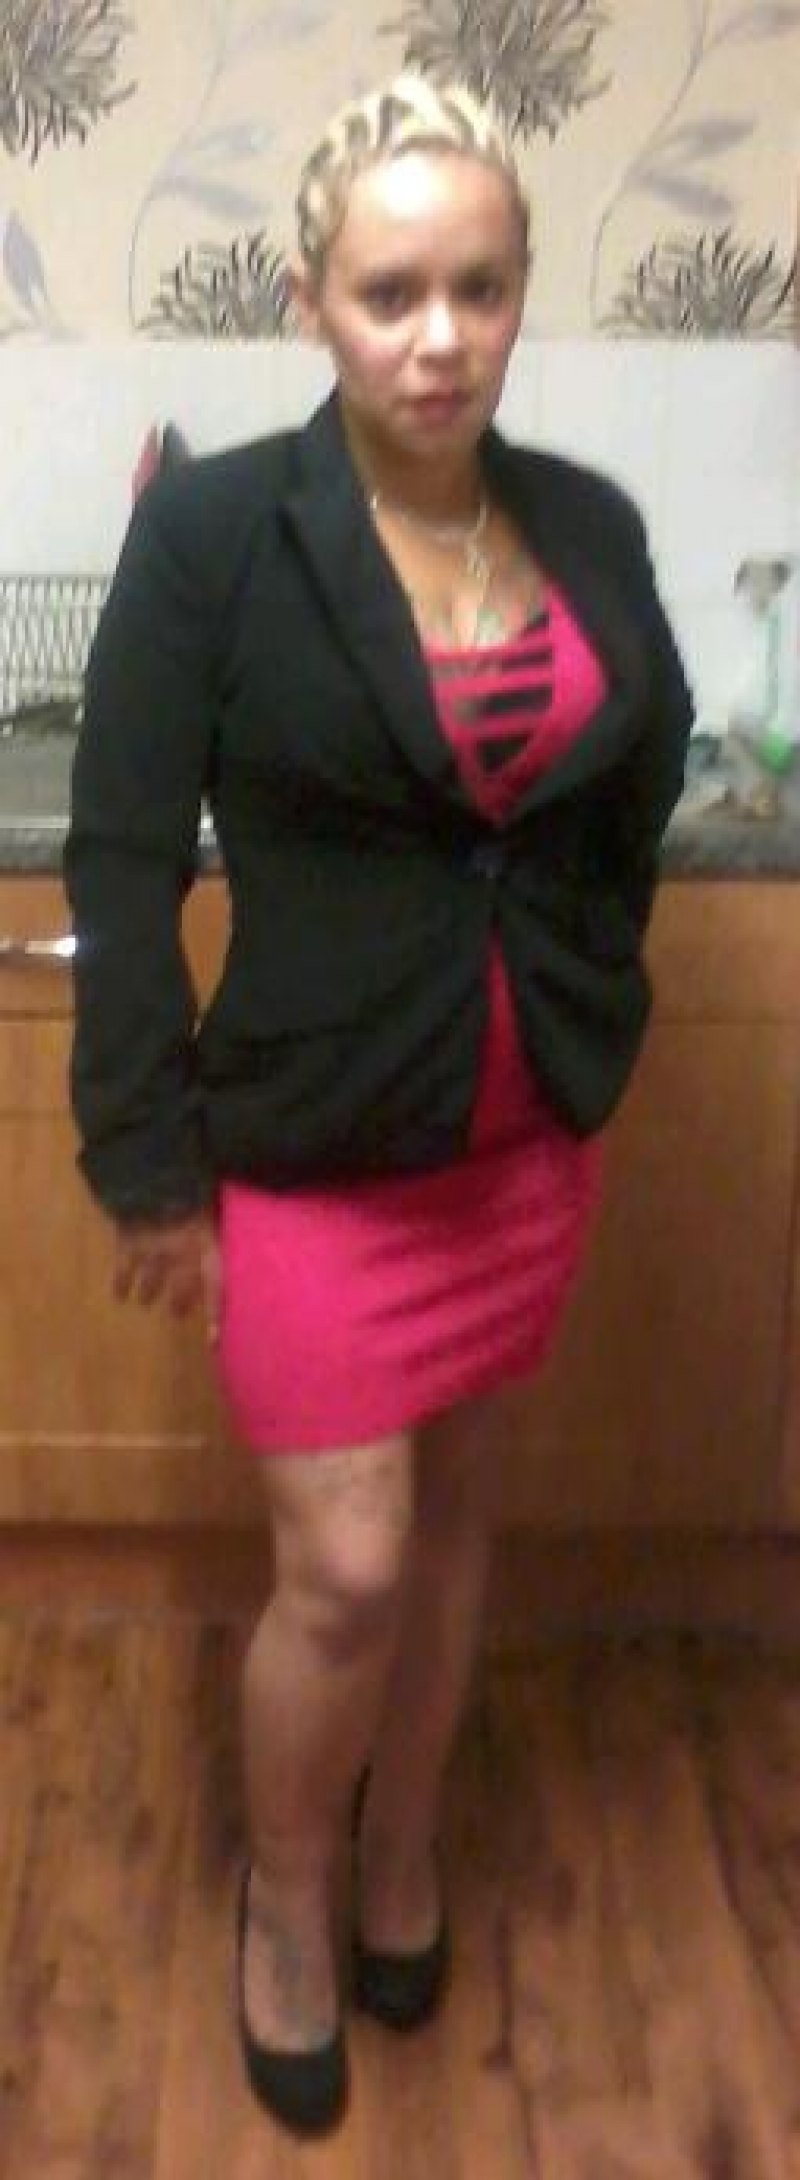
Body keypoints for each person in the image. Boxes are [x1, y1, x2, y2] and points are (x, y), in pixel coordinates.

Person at [64, 72, 694, 2136]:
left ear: (520, 296)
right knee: (344, 1564)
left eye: (480, 289)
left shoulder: (584, 522)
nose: (439, 336)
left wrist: (593, 992)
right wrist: (144, 1160)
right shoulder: (214, 535)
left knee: (456, 1531)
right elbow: (123, 857)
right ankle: (289, 1888)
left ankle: (407, 1839)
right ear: (308, 300)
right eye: (390, 292)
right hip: (319, 1147)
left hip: (523, 1140)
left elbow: (630, 774)